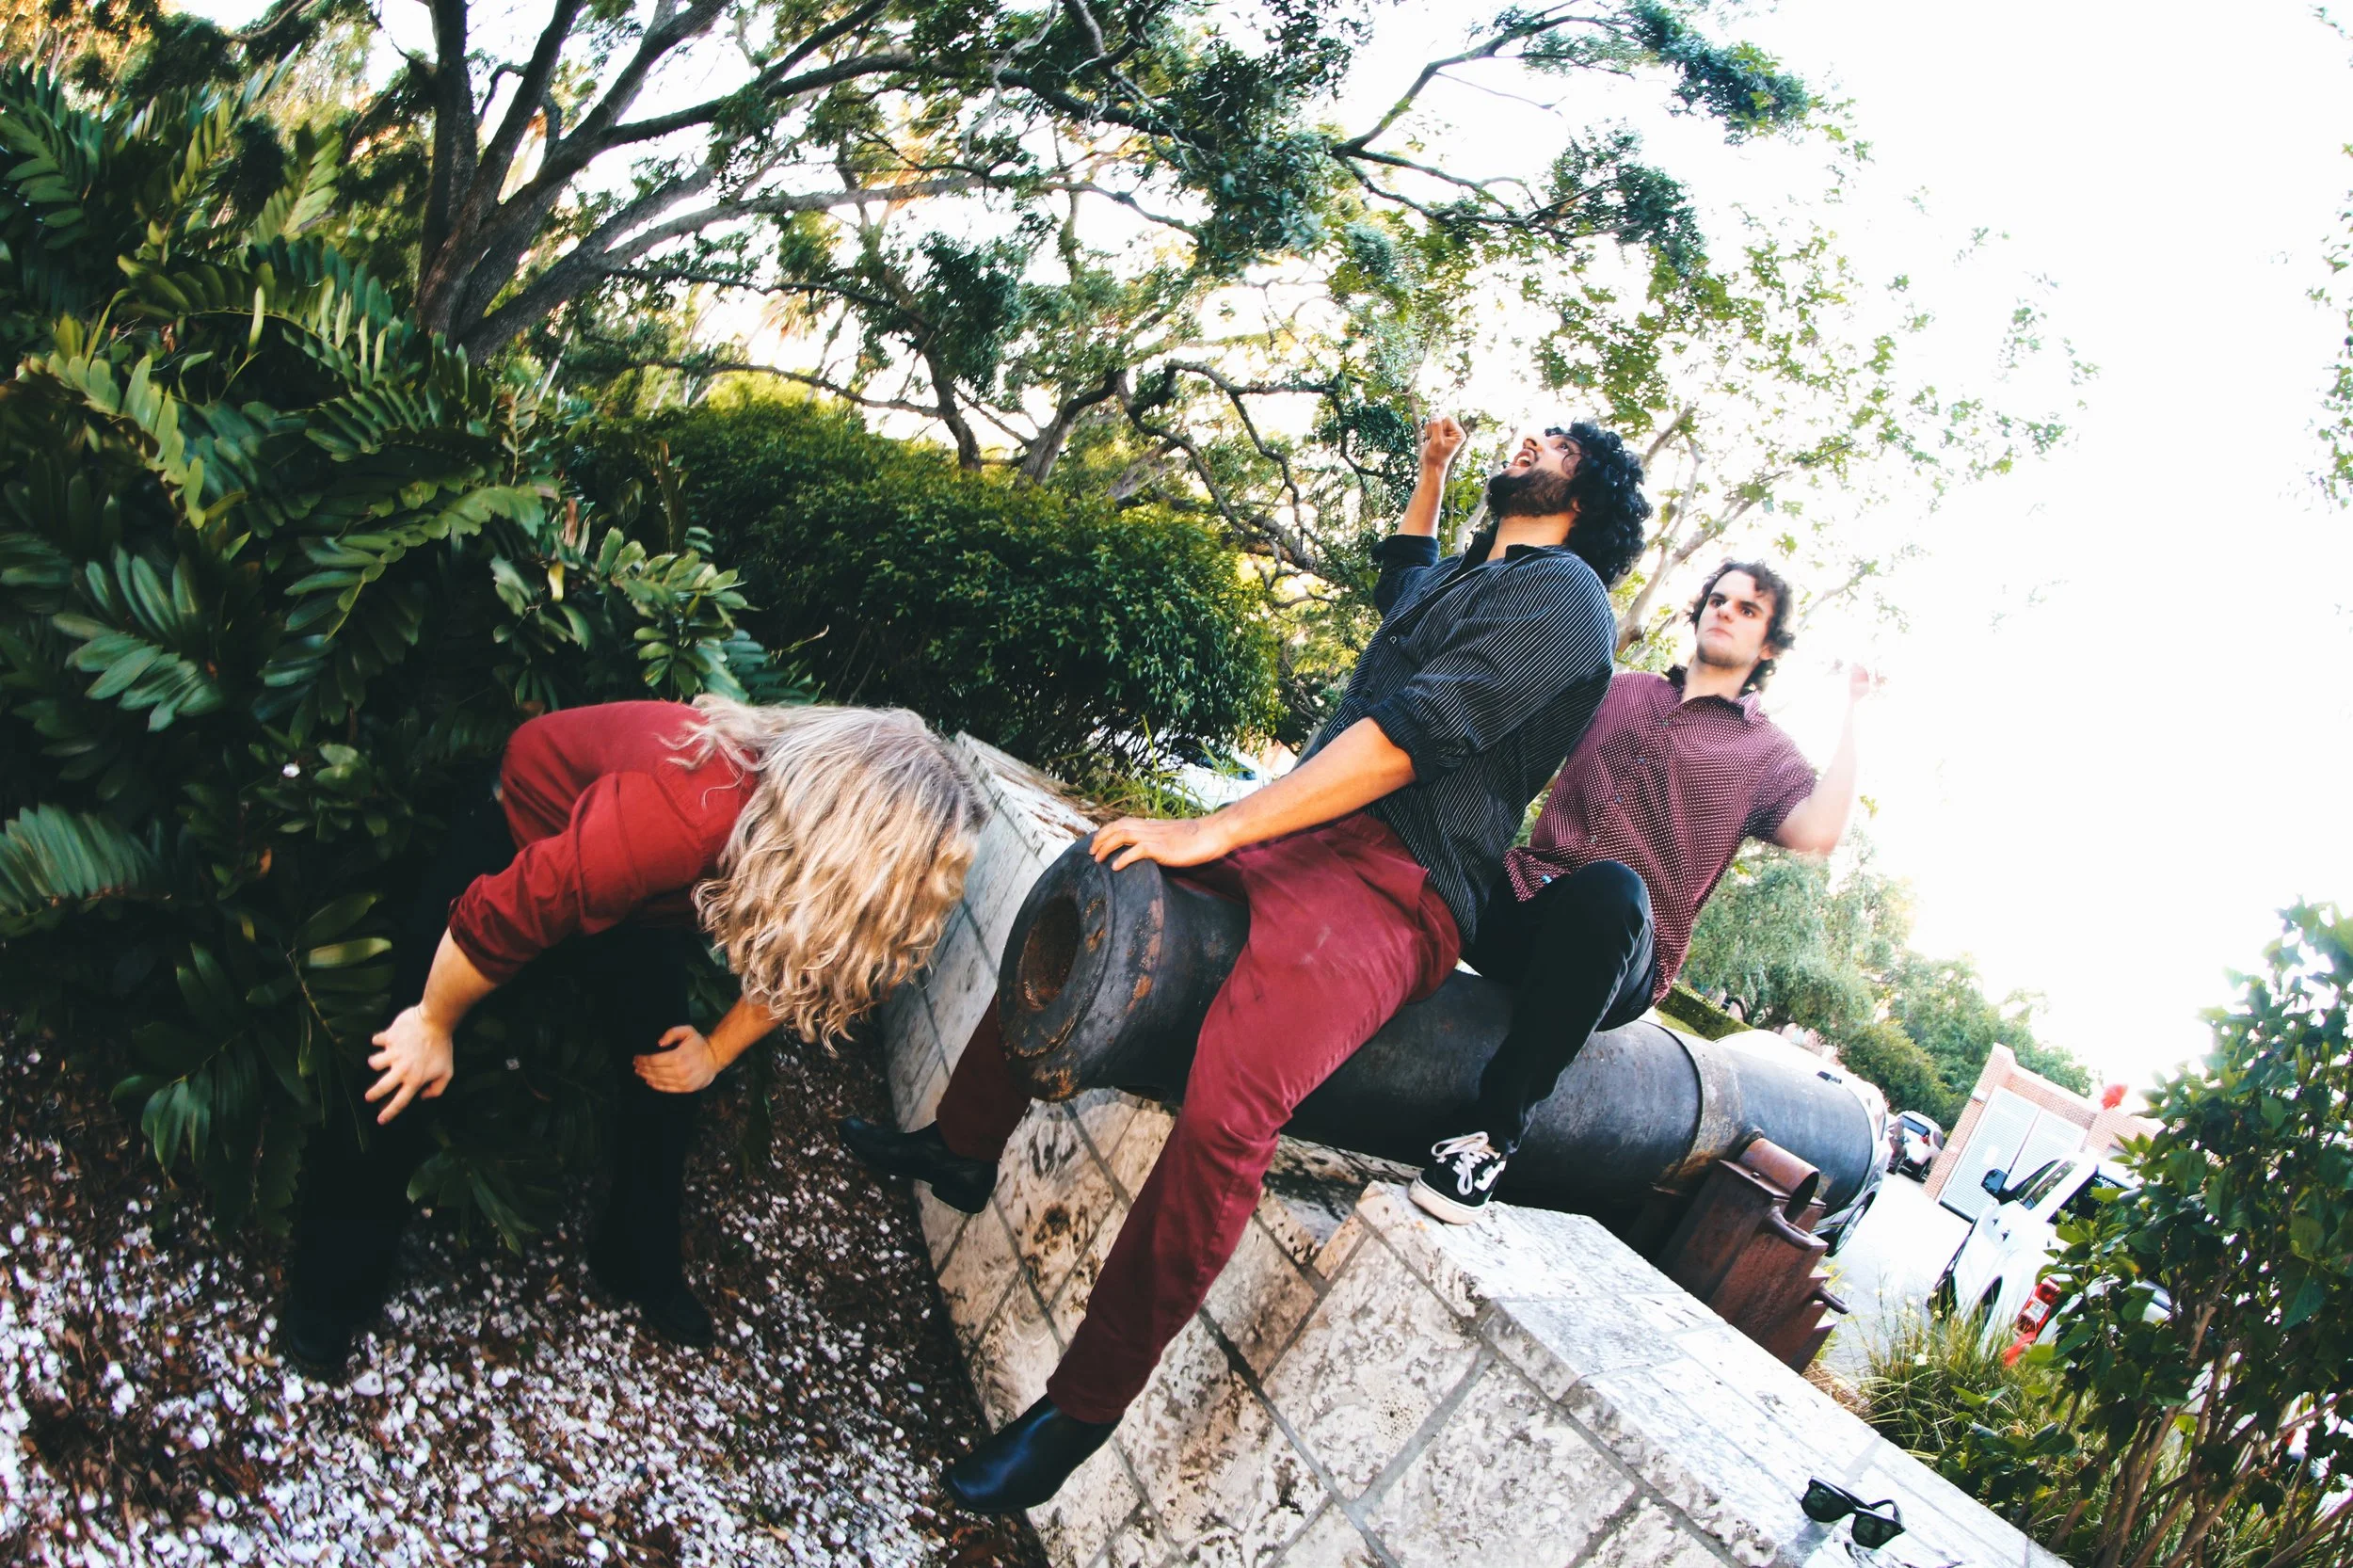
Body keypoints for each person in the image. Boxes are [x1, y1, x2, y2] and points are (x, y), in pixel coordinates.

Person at [840, 413, 1652, 1511]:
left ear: (1590, 491)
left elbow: (1417, 732)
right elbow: (1403, 577)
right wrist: (1431, 471)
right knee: (1099, 889)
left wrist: (1216, 827)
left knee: (1232, 1103)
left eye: (1554, 440)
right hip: (1297, 831)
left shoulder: (1566, 600)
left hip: (1397, 879)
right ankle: (960, 1143)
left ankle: (1081, 1408)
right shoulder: (1471, 576)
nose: (1529, 439)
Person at [276, 697, 984, 1377]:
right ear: (855, 852)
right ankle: (329, 1288)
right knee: (401, 1065)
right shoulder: (684, 815)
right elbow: (504, 912)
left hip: (637, 899)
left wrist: (712, 1053)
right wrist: (432, 1022)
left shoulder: (783, 845)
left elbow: (807, 956)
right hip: (523, 830)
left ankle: (633, 1258)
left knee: (669, 1069)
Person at [1409, 559, 1875, 1224]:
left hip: (1618, 952)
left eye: (1748, 609)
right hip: (1525, 902)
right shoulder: (1617, 692)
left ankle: (1490, 1138)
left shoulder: (1765, 754)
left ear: (1769, 645)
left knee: (1610, 890)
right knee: (1450, 833)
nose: (1725, 611)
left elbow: (1820, 831)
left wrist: (1858, 714)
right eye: (1719, 599)